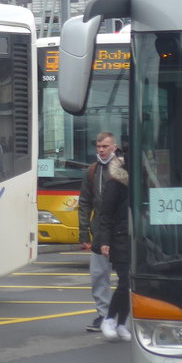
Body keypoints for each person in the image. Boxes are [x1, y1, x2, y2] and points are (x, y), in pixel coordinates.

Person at [77, 132, 118, 332]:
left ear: (114, 147)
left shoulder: (122, 169)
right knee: (98, 276)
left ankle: (122, 316)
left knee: (126, 277)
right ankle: (104, 316)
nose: (101, 150)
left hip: (120, 232)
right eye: (99, 146)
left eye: (105, 146)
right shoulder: (92, 171)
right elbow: (84, 202)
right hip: (100, 231)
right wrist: (84, 233)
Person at [96, 154, 132, 341]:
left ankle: (122, 323)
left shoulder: (145, 179)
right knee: (125, 280)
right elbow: (106, 214)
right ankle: (109, 319)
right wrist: (105, 241)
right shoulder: (115, 182)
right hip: (120, 238)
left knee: (132, 284)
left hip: (138, 238)